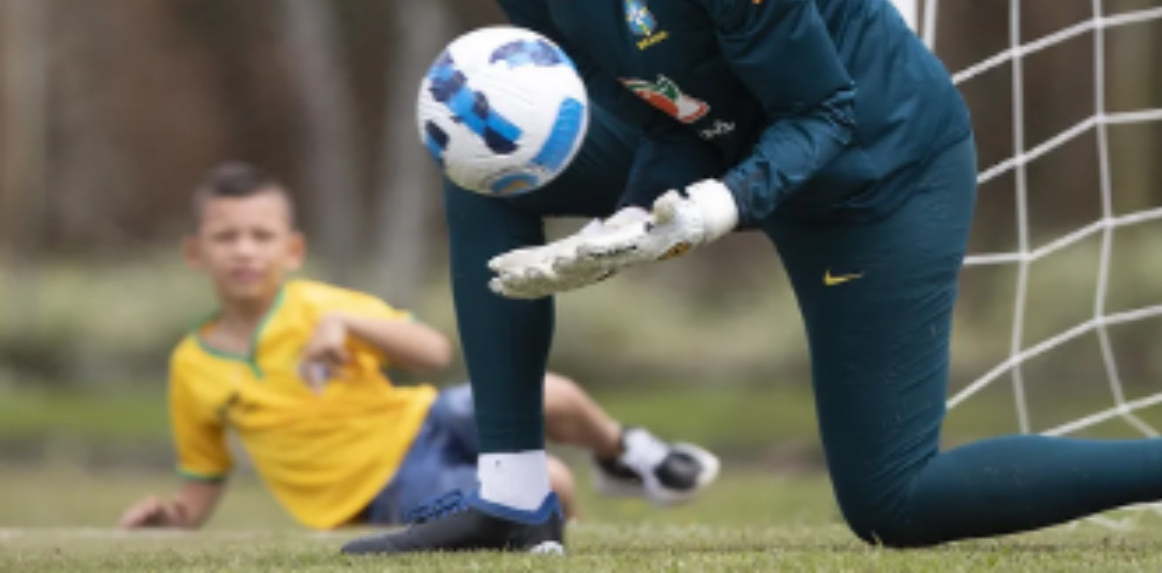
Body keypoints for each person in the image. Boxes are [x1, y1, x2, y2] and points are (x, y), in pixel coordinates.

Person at [340, 0, 1162, 556]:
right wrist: (638, 215)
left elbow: (824, 111)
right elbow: (650, 111)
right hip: (732, 150)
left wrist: (706, 210)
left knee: (891, 504)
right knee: (482, 164)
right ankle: (515, 496)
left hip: (875, 175)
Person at [117, 162, 719, 533]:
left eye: (260, 235)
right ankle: (552, 541)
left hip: (427, 419)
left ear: (291, 249)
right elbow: (202, 478)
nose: (244, 250)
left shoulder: (318, 304)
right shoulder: (192, 367)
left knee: (550, 393)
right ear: (196, 253)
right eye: (226, 237)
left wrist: (347, 327)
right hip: (383, 488)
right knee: (552, 479)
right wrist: (173, 519)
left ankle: (627, 457)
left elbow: (431, 351)